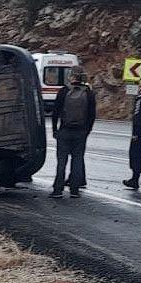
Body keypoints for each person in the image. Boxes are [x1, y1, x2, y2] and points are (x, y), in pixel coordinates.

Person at [50, 67, 96, 198]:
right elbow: (92, 115)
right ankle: (74, 190)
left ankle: (57, 189)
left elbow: (55, 112)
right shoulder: (88, 93)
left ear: (72, 77)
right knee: (77, 159)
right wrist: (87, 130)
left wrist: (55, 129)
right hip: (80, 132)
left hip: (65, 130)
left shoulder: (64, 91)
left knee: (61, 161)